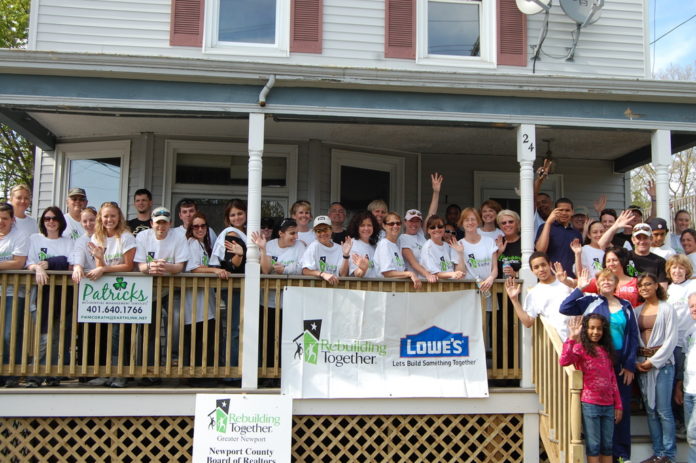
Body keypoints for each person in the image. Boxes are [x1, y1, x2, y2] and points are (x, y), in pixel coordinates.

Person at [559, 268, 639, 463]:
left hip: (620, 361)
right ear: (598, 283)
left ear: (616, 283)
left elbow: (633, 335)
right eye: (602, 280)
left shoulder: (626, 305)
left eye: (610, 280)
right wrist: (580, 288)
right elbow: (565, 307)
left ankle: (621, 456)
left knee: (621, 410)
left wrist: (629, 364)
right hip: (596, 358)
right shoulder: (591, 300)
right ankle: (597, 454)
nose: (606, 283)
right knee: (600, 413)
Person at [134, 206, 189, 384]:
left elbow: (180, 267)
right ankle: (149, 371)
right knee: (148, 330)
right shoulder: (142, 236)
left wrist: (163, 267)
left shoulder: (179, 237)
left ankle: (177, 369)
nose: (161, 226)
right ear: (151, 223)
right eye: (158, 223)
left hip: (172, 288)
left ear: (170, 224)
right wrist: (151, 267)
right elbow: (140, 265)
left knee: (177, 324)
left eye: (164, 223)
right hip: (148, 289)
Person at [559, 315, 622, 463]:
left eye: (599, 328)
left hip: (608, 405)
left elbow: (612, 379)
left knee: (607, 446)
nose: (595, 332)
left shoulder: (605, 350)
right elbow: (564, 361)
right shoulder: (580, 348)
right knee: (594, 445)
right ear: (585, 329)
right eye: (592, 328)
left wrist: (618, 404)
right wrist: (572, 338)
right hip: (590, 403)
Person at [25, 206, 75, 387]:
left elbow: (70, 262)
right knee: (45, 336)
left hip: (63, 297)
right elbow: (28, 261)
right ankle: (36, 375)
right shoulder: (35, 239)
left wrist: (49, 263)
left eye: (54, 218)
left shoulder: (68, 241)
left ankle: (52, 373)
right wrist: (37, 267)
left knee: (57, 337)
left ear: (60, 221)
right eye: (47, 218)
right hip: (41, 295)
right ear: (43, 221)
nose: (51, 222)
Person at [634, 272, 677, 463]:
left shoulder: (667, 309)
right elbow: (633, 338)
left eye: (648, 284)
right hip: (642, 364)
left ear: (656, 286)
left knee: (663, 410)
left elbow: (671, 340)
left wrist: (654, 361)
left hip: (662, 365)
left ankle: (669, 454)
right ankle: (658, 452)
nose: (644, 288)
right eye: (641, 285)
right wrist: (637, 361)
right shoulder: (636, 311)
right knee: (650, 410)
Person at [184, 212, 228, 372]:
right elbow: (194, 268)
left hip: (206, 302)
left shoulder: (203, 245)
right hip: (195, 303)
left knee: (207, 339)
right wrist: (215, 271)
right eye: (196, 226)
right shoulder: (191, 243)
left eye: (203, 225)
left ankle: (205, 372)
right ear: (191, 228)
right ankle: (195, 375)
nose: (200, 229)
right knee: (197, 340)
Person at [504, 252, 572, 340]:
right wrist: (514, 300)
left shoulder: (566, 281)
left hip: (579, 338)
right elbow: (528, 322)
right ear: (532, 270)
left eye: (543, 265)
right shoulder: (534, 293)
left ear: (550, 264)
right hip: (558, 342)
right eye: (536, 267)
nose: (541, 269)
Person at [0, 202, 28, 388]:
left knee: (10, 334)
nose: (1, 222)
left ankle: (12, 372)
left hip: (12, 294)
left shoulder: (20, 236)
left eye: (4, 218)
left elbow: (18, 263)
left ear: (12, 219)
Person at [601, 217, 668, 289]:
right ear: (633, 240)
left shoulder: (660, 261)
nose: (642, 242)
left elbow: (663, 289)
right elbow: (602, 244)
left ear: (651, 239)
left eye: (645, 238)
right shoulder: (625, 255)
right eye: (638, 238)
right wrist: (615, 227)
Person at [535, 197, 582, 278]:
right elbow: (540, 251)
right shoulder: (545, 227)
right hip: (550, 277)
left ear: (572, 212)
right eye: (560, 210)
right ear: (554, 211)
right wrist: (548, 222)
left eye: (567, 210)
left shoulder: (576, 233)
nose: (564, 213)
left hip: (570, 278)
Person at [373, 212, 421, 288]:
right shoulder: (384, 244)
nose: (395, 226)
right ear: (384, 226)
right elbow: (387, 273)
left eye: (398, 223)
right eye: (391, 224)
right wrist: (409, 273)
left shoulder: (395, 245)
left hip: (396, 290)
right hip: (385, 290)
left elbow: (399, 271)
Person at [676, 292, 696, 463]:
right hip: (689, 390)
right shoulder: (690, 331)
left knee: (693, 434)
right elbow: (686, 360)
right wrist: (679, 386)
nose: (694, 309)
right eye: (692, 306)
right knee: (692, 436)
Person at [301, 215, 350, 285]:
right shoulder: (313, 246)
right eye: (319, 231)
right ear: (315, 233)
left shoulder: (339, 248)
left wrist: (346, 255)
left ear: (331, 230)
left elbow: (342, 274)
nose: (323, 233)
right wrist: (323, 274)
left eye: (325, 229)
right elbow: (305, 270)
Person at [458, 207, 498, 293]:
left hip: (488, 288)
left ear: (478, 222)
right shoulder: (458, 244)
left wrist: (491, 278)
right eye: (466, 220)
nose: (470, 222)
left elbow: (495, 267)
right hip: (468, 291)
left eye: (473, 219)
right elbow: (459, 273)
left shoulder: (489, 241)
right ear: (462, 223)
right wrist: (460, 253)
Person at [419, 215, 465, 280]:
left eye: (440, 226)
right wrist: (452, 274)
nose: (437, 229)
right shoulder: (427, 247)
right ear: (428, 230)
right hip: (434, 288)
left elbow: (460, 272)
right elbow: (434, 273)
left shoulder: (448, 246)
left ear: (444, 229)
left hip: (450, 287)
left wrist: (460, 253)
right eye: (432, 227)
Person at [346, 211, 380, 278]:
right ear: (357, 227)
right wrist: (363, 269)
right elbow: (357, 274)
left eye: (369, 225)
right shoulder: (352, 244)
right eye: (362, 225)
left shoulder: (374, 246)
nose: (366, 228)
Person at [496, 210, 521, 279]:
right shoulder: (497, 243)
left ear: (518, 223)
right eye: (504, 223)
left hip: (521, 286)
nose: (507, 225)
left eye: (511, 222)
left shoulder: (525, 243)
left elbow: (533, 267)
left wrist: (515, 274)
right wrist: (499, 252)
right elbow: (488, 269)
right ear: (500, 227)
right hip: (499, 287)